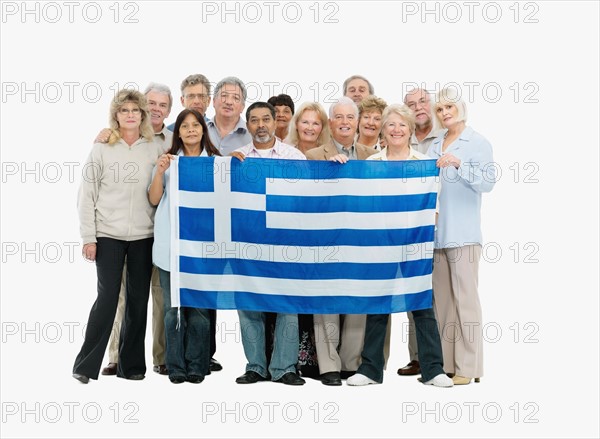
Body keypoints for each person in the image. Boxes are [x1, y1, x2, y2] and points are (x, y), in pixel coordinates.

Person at [342, 104, 453, 388]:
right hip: (380, 245)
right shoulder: (373, 165)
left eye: (402, 125)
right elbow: (363, 205)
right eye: (390, 125)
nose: (396, 130)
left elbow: (433, 207)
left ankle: (433, 370)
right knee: (377, 305)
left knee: (422, 306)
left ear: (410, 129)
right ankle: (370, 370)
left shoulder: (425, 163)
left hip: (415, 244)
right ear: (383, 130)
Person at [73, 89, 163, 383]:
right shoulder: (101, 148)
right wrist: (89, 237)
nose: (130, 115)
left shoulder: (153, 148)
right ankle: (85, 367)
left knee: (138, 301)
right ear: (116, 115)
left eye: (135, 110)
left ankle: (132, 366)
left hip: (143, 235)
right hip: (107, 235)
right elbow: (86, 195)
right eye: (124, 111)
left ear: (142, 115)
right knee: (108, 298)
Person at [96, 82, 172, 377]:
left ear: (169, 109)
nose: (155, 109)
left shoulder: (167, 140)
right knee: (122, 295)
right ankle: (117, 355)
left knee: (157, 295)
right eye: (150, 103)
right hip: (123, 233)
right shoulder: (115, 140)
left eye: (161, 105)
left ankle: (161, 356)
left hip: (157, 231)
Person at [230, 102, 306, 386]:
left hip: (285, 242)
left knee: (287, 303)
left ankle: (284, 367)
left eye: (266, 119)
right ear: (247, 125)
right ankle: (255, 366)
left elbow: (304, 200)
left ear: (276, 122)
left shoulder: (294, 157)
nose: (260, 125)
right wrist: (228, 168)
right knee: (249, 303)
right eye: (254, 120)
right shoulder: (236, 159)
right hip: (248, 243)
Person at [305, 97, 377, 386]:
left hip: (360, 239)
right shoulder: (313, 156)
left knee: (358, 302)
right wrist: (329, 173)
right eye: (339, 117)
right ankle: (329, 366)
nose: (345, 121)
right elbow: (305, 201)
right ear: (330, 122)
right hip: (325, 239)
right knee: (326, 302)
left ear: (357, 121)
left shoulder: (372, 156)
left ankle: (351, 363)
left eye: (350, 116)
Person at [428, 88, 496, 385]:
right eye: (440, 109)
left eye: (449, 107)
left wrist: (459, 163)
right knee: (442, 304)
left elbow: (489, 182)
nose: (444, 113)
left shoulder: (478, 143)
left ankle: (469, 367)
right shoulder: (434, 145)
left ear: (461, 108)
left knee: (466, 302)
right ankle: (448, 363)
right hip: (437, 236)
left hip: (464, 235)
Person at [148, 109, 221, 384]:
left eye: (196, 125)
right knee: (172, 309)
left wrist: (237, 164)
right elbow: (155, 199)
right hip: (171, 248)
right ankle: (175, 364)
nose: (191, 130)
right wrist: (159, 172)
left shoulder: (217, 163)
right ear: (177, 132)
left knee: (200, 310)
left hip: (203, 250)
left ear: (204, 130)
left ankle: (197, 364)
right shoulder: (169, 162)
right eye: (185, 126)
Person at [397, 87, 444, 377]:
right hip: (391, 239)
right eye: (411, 104)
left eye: (422, 101)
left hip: (428, 232)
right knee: (406, 300)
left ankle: (437, 364)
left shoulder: (442, 139)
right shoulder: (396, 142)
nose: (418, 107)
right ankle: (417, 358)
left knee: (427, 301)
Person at [207, 76, 252, 155]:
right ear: (214, 101)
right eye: (224, 96)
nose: (229, 102)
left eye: (235, 98)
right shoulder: (200, 131)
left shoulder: (253, 135)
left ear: (242, 107)